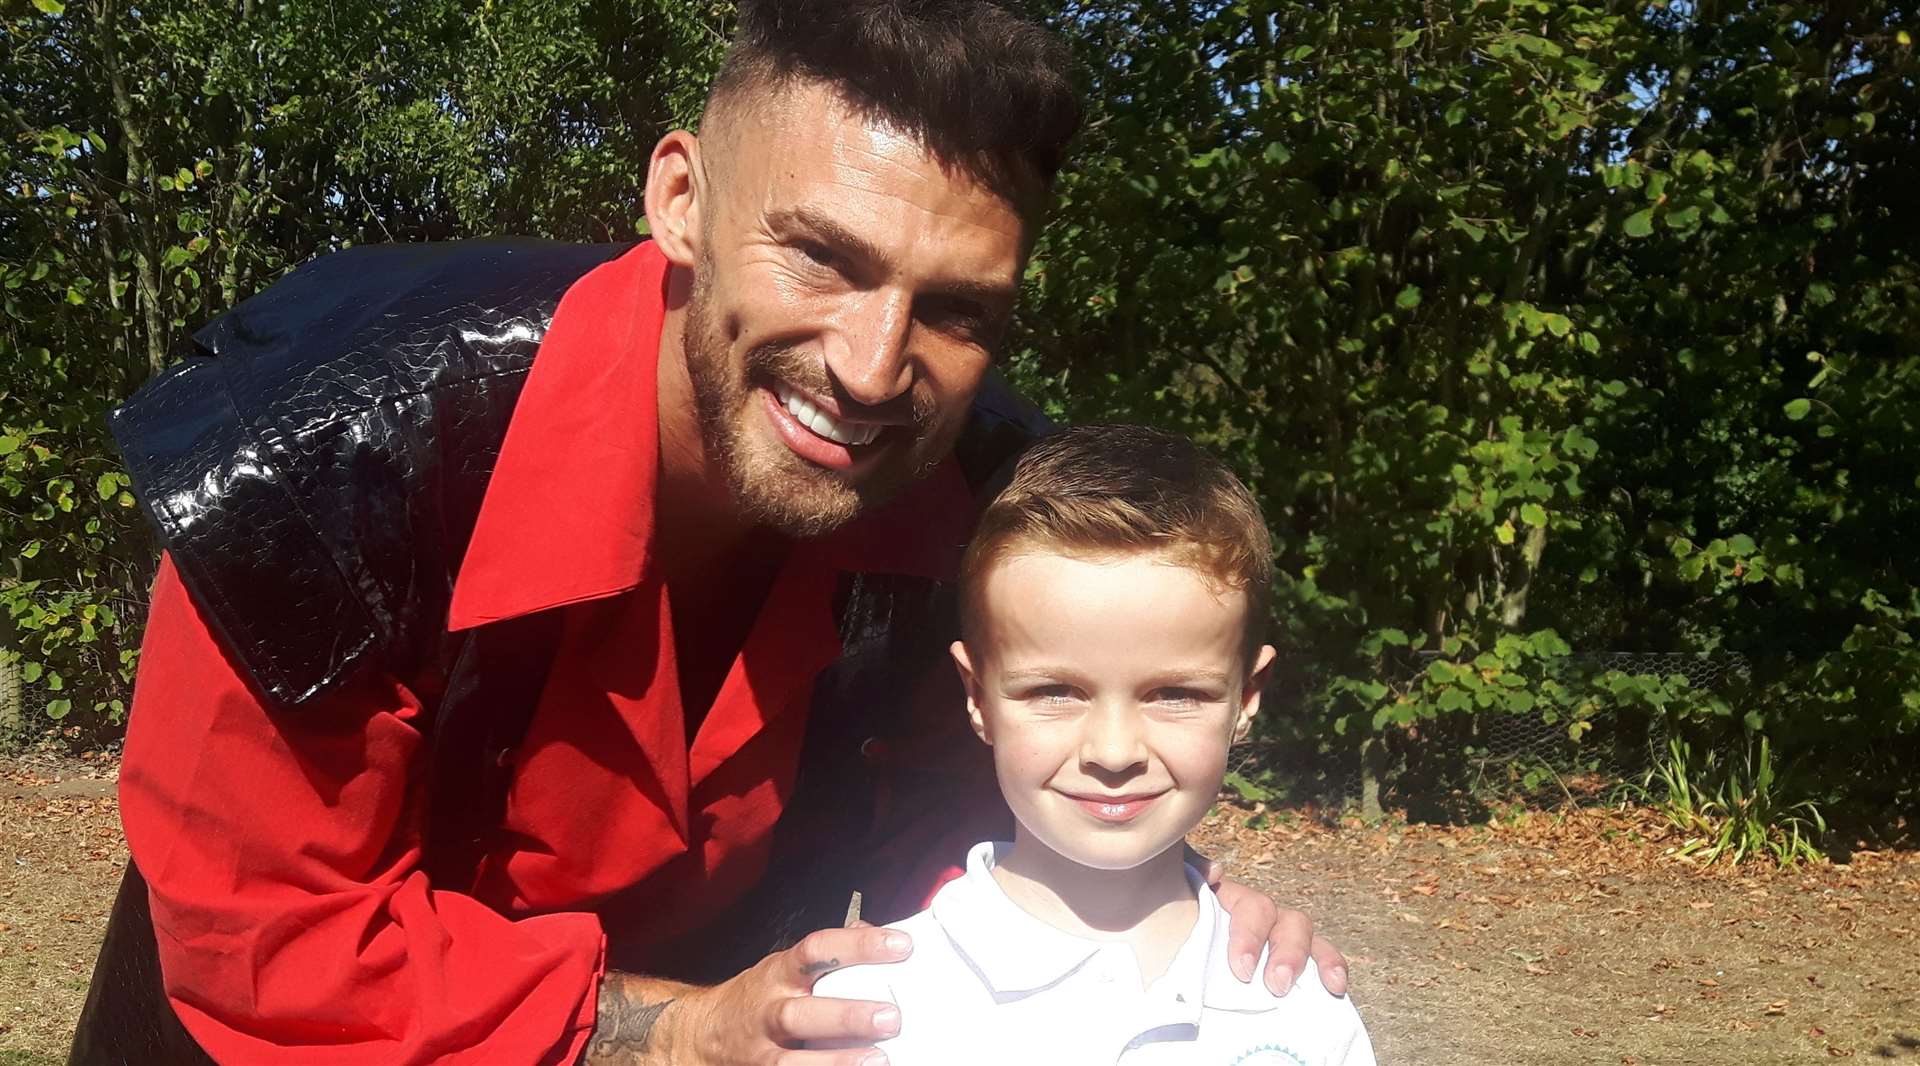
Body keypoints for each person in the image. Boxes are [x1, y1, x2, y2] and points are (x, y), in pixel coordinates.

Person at [68, 2, 1348, 1064]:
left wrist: (1185, 927)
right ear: (680, 198)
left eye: (956, 308)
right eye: (822, 258)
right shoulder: (325, 448)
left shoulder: (980, 492)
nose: (870, 364)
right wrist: (672, 1035)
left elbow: (990, 827)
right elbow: (275, 947)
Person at [814, 424, 1376, 1065]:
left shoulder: (1301, 1002)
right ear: (977, 697)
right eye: (1054, 691)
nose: (1113, 752)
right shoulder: (874, 1009)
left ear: (1247, 698)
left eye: (1175, 695)